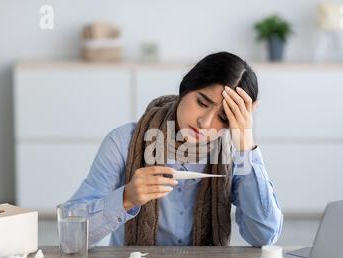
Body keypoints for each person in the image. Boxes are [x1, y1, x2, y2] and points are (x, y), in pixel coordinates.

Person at [68, 51, 283, 247]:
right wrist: (126, 198)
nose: (205, 122)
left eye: (223, 118)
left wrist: (246, 142)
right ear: (186, 86)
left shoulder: (236, 153)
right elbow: (70, 235)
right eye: (202, 102)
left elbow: (264, 237)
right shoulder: (122, 142)